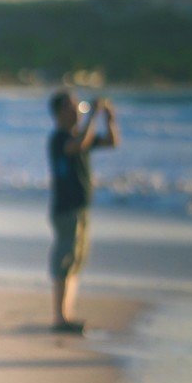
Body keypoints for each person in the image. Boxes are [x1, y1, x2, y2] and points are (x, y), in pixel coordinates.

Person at [48, 92, 119, 334]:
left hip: (80, 210)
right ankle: (61, 317)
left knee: (76, 263)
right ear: (59, 113)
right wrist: (93, 116)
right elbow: (77, 145)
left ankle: (67, 315)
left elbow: (112, 142)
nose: (76, 110)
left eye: (77, 106)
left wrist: (109, 119)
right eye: (71, 107)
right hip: (66, 210)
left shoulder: (80, 137)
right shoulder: (59, 139)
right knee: (65, 262)